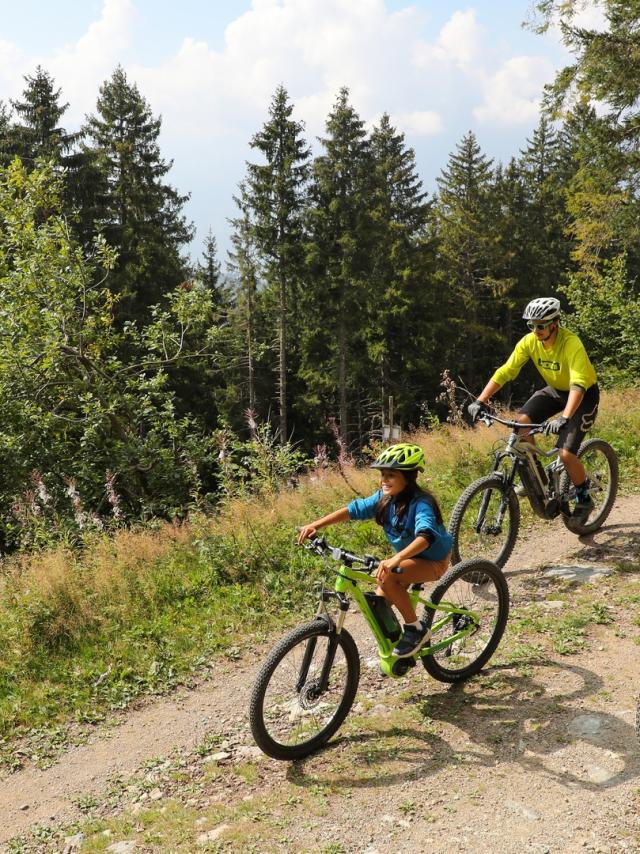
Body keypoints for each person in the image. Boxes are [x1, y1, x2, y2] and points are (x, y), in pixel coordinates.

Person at [297, 442, 453, 658]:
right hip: (407, 560)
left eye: (391, 475)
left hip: (432, 561)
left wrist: (396, 558)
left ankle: (416, 630)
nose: (383, 480)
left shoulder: (422, 503)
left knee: (386, 576)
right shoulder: (385, 498)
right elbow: (353, 510)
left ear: (408, 477)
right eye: (382, 474)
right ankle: (397, 655)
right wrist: (316, 525)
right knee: (377, 605)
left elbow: (425, 537)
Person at [467, 297, 599, 520]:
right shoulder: (529, 342)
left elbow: (578, 382)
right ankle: (539, 482)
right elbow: (507, 371)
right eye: (531, 325)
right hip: (556, 390)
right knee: (521, 425)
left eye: (541, 325)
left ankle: (584, 496)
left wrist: (564, 418)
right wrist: (480, 400)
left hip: (583, 394)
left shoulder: (571, 343)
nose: (535, 330)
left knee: (566, 453)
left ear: (554, 323)